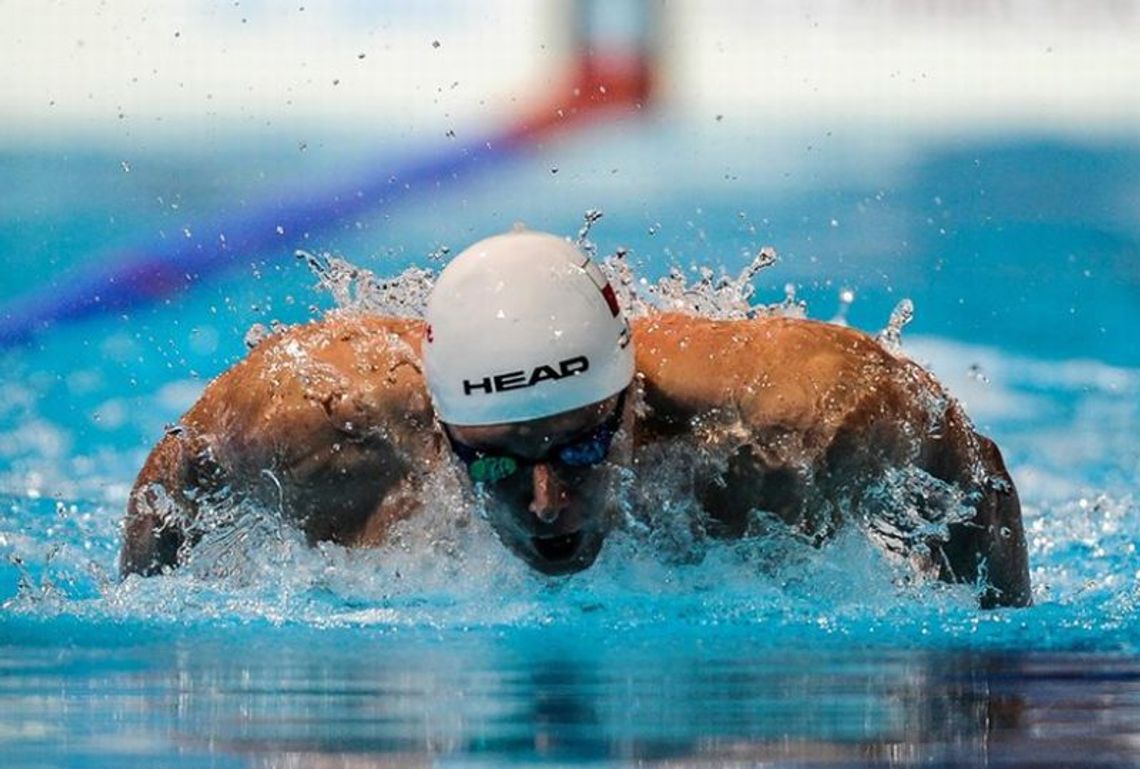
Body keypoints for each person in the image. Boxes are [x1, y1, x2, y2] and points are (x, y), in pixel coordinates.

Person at [121, 228, 1031, 607]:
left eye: (585, 442)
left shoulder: (797, 418)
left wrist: (993, 695)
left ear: (631, 399)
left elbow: (974, 477)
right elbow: (172, 478)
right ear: (440, 433)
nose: (548, 496)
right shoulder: (317, 416)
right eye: (495, 462)